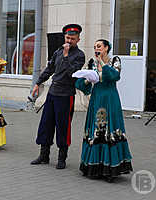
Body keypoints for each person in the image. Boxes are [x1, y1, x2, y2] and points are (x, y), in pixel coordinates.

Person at [75, 39, 133, 182]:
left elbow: (114, 76)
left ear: (106, 48)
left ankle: (111, 169)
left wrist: (101, 62)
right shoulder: (90, 63)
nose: (96, 49)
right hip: (96, 99)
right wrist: (88, 80)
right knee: (96, 129)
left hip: (110, 99)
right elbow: (80, 83)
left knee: (111, 129)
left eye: (99, 46)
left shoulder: (115, 61)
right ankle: (94, 168)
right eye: (95, 47)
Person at [30, 24, 85, 169]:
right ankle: (44, 155)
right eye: (67, 37)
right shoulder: (58, 51)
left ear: (78, 40)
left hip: (66, 95)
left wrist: (66, 56)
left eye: (72, 38)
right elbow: (50, 68)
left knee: (63, 126)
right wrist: (38, 82)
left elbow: (72, 73)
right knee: (46, 124)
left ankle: (62, 158)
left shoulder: (79, 55)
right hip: (53, 93)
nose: (69, 40)